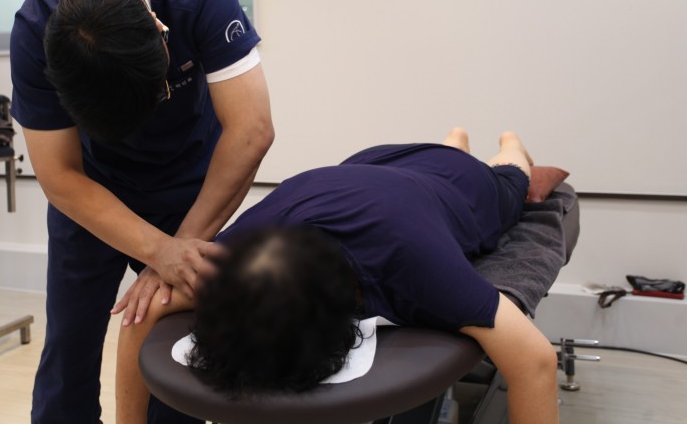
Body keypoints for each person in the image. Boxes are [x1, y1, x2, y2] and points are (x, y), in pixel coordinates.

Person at [115, 129, 559, 424]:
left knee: (510, 176)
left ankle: (503, 142)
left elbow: (536, 362)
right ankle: (452, 141)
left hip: (460, 183)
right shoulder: (238, 261)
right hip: (367, 167)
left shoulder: (418, 267)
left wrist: (511, 156)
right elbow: (141, 314)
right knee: (441, 159)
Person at [10, 0, 275, 424]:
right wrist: (158, 251)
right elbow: (59, 174)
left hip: (188, 186)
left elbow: (251, 130)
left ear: (159, 27)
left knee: (176, 343)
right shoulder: (35, 29)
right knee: (69, 344)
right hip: (92, 189)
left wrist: (178, 250)